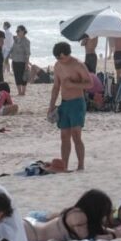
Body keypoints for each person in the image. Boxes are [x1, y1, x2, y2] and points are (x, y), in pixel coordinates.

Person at [23, 189, 121, 241]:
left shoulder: (80, 214)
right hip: (29, 232)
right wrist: (114, 236)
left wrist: (114, 231)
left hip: (31, 229)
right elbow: (87, 238)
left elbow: (97, 230)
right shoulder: (78, 215)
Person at [48, 42, 93, 171]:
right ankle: (65, 166)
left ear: (68, 54)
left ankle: (80, 165)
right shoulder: (57, 66)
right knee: (64, 136)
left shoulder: (78, 65)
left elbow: (90, 84)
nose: (59, 60)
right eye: (57, 58)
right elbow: (56, 87)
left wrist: (73, 84)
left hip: (77, 102)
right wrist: (51, 106)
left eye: (61, 57)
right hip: (64, 103)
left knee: (76, 135)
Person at [9, 25, 31, 96]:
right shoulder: (16, 40)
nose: (17, 32)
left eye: (18, 31)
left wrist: (26, 64)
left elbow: (27, 54)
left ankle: (23, 92)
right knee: (16, 76)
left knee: (23, 77)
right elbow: (12, 49)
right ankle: (19, 92)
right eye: (16, 31)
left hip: (22, 61)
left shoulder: (26, 41)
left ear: (23, 31)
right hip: (15, 61)